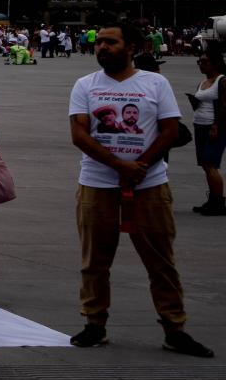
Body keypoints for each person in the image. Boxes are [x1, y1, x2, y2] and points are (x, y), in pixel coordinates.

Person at [67, 20, 213, 357]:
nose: (102, 47)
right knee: (95, 259)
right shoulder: (85, 84)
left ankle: (174, 327)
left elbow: (170, 130)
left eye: (111, 42)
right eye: (100, 42)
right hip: (96, 183)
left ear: (132, 47)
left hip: (150, 184)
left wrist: (141, 166)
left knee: (161, 259)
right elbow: (79, 134)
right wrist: (120, 166)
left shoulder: (155, 83)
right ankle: (94, 323)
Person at [191, 50, 223, 216]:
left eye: (204, 62)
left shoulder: (222, 80)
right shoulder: (203, 82)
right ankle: (212, 200)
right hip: (200, 125)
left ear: (215, 63)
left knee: (210, 164)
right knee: (205, 164)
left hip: (213, 127)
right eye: (199, 62)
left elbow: (225, 106)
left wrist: (216, 125)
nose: (201, 65)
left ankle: (218, 202)